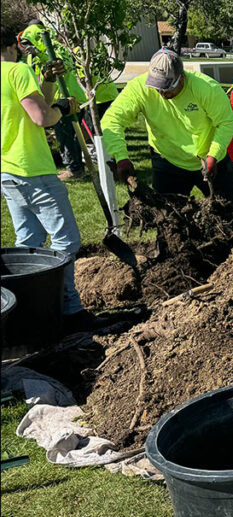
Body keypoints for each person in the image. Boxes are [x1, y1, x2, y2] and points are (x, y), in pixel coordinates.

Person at [2, 20, 103, 332]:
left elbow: (27, 108)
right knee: (67, 240)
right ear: (12, 47)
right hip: (33, 168)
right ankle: (71, 310)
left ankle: (22, 311)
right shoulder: (16, 71)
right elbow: (42, 117)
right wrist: (62, 108)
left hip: (7, 170)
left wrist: (45, 80)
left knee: (28, 242)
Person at [101, 49, 233, 211]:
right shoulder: (139, 88)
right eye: (157, 87)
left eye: (167, 86)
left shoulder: (206, 88)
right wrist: (121, 156)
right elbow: (112, 120)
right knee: (169, 220)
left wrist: (214, 155)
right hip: (167, 161)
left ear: (182, 77)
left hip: (210, 160)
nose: (162, 92)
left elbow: (226, 122)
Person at [18, 20, 90, 181]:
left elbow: (64, 65)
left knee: (67, 136)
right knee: (65, 136)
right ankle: (76, 166)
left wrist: (42, 55)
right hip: (52, 99)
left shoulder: (56, 48)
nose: (27, 47)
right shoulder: (32, 55)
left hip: (67, 98)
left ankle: (75, 170)